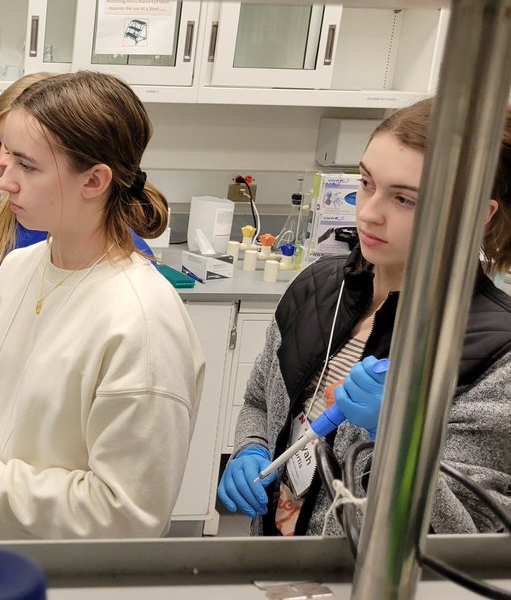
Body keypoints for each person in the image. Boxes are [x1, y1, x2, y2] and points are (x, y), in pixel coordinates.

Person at [0, 71, 206, 540]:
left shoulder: (142, 323)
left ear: (94, 180)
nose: (4, 181)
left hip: (74, 581)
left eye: (26, 166)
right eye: (4, 160)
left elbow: (127, 515)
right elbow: (2, 403)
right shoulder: (22, 268)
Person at [218, 98, 511, 536]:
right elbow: (261, 399)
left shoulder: (496, 356)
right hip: (279, 560)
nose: (369, 211)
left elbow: (471, 534)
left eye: (405, 199)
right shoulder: (318, 286)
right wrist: (250, 447)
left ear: (477, 217)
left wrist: (400, 438)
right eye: (367, 182)